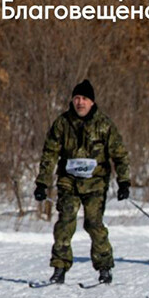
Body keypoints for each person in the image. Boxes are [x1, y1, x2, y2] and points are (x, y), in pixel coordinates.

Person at [34, 79, 130, 284]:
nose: (80, 102)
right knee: (65, 221)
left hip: (96, 183)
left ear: (92, 102)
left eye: (84, 99)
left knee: (93, 223)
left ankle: (104, 268)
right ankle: (59, 269)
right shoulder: (62, 124)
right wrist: (42, 182)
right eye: (77, 98)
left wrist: (124, 182)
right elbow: (49, 154)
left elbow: (120, 155)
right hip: (69, 182)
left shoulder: (104, 125)